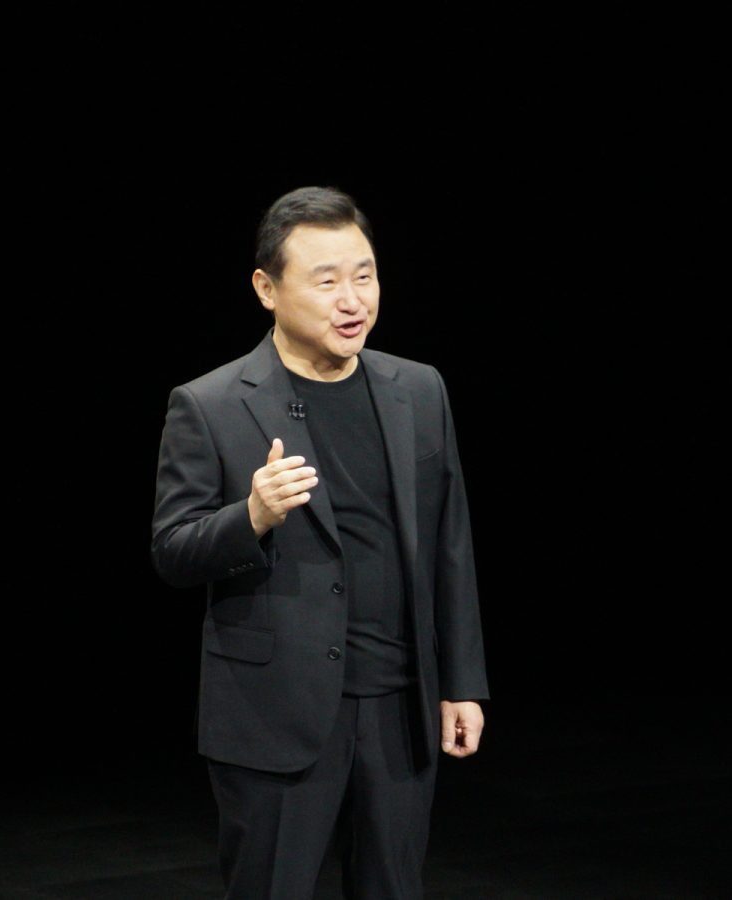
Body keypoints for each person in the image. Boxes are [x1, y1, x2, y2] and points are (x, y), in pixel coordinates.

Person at [150, 185, 490, 898]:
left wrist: (462, 682)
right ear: (266, 289)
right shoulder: (210, 404)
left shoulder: (419, 389)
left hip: (399, 707)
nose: (352, 300)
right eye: (326, 281)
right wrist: (251, 515)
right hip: (274, 713)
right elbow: (173, 551)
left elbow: (450, 545)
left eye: (364, 276)